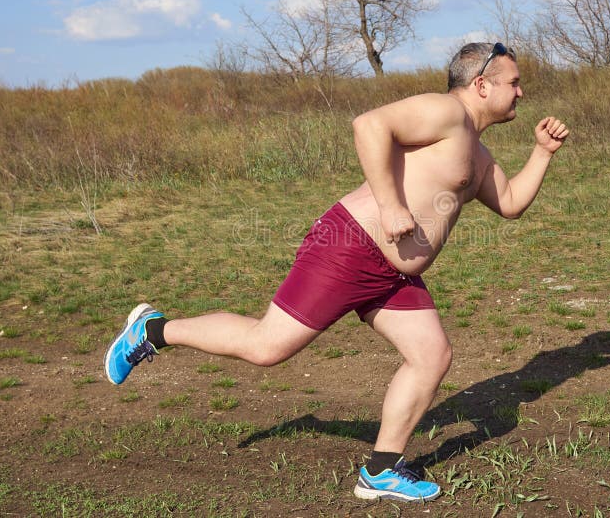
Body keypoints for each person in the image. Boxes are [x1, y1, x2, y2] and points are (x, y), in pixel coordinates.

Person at [104, 42, 569, 502]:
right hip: (350, 247)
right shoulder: (445, 113)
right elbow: (369, 126)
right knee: (267, 346)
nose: (521, 92)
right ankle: (154, 330)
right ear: (481, 84)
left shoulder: (478, 151)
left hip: (391, 275)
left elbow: (509, 204)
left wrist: (543, 153)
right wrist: (389, 206)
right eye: (514, 82)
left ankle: (381, 471)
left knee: (432, 356)